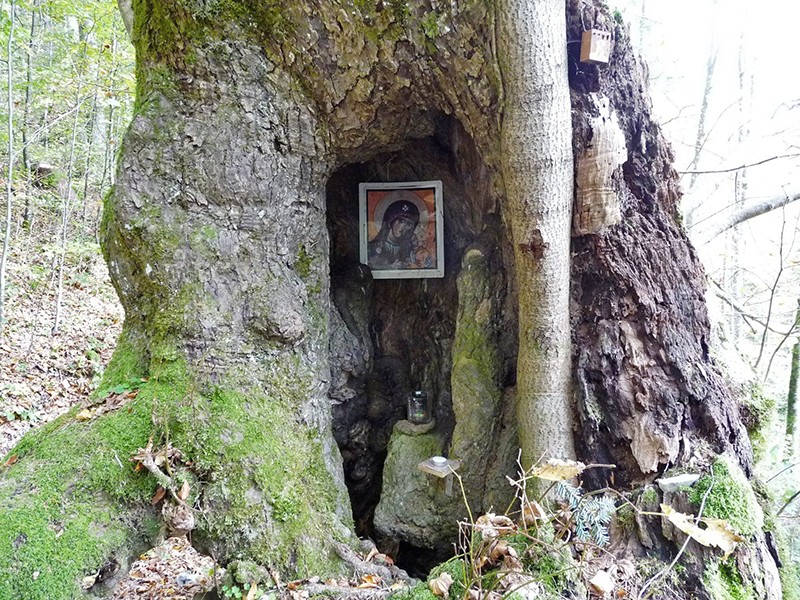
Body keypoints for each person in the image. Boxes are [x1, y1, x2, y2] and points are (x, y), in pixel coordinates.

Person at [368, 199, 421, 269]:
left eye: (408, 224)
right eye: (401, 221)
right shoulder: (372, 248)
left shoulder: (412, 251)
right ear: (391, 221)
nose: (403, 227)